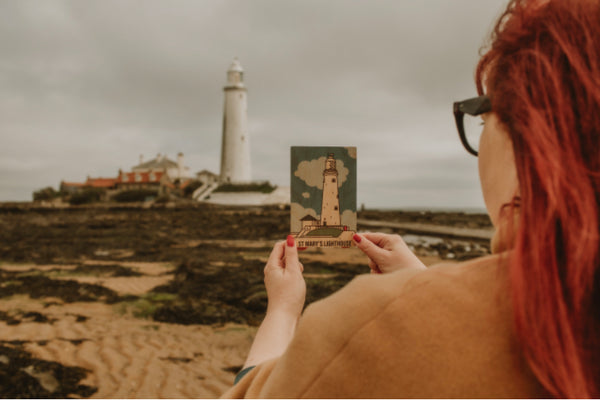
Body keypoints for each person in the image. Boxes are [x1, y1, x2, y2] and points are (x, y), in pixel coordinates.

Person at [223, 0, 600, 397]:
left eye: (483, 116)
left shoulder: (371, 325)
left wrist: (282, 310)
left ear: (525, 127)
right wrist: (421, 281)